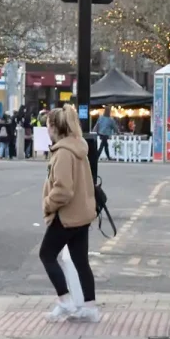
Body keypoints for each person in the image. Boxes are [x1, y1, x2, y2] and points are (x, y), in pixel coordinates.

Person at [39, 104, 100, 322]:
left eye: (48, 126)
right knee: (80, 260)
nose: (47, 129)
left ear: (55, 127)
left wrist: (48, 204)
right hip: (82, 214)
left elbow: (63, 189)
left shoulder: (64, 152)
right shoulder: (79, 147)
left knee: (46, 254)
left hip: (66, 216)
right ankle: (90, 308)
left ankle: (65, 301)